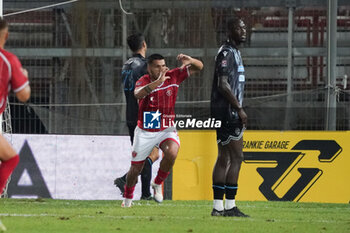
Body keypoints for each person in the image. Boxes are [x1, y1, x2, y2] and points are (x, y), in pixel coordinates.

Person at [121, 53, 203, 207]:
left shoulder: (173, 76)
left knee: (172, 152)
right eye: (157, 66)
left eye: (163, 65)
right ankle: (127, 198)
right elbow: (137, 94)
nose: (161, 69)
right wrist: (157, 83)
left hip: (166, 126)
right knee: (136, 168)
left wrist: (191, 60)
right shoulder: (143, 81)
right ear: (149, 67)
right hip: (146, 129)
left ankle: (157, 183)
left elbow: (200, 67)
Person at [210, 17, 249, 217]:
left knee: (224, 156)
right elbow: (223, 84)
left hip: (225, 111)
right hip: (228, 112)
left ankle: (218, 208)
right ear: (229, 30)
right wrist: (239, 108)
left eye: (244, 28)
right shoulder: (226, 52)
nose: (243, 31)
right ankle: (230, 206)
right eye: (239, 28)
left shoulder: (235, 52)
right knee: (236, 157)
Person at [114, 33, 159, 200]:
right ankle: (138, 189)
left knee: (145, 153)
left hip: (130, 114)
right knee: (152, 154)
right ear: (144, 45)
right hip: (144, 113)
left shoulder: (127, 64)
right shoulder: (143, 65)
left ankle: (134, 186)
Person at [0, 18, 30, 195]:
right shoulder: (8, 61)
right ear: (7, 35)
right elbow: (23, 95)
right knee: (11, 158)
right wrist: (24, 77)